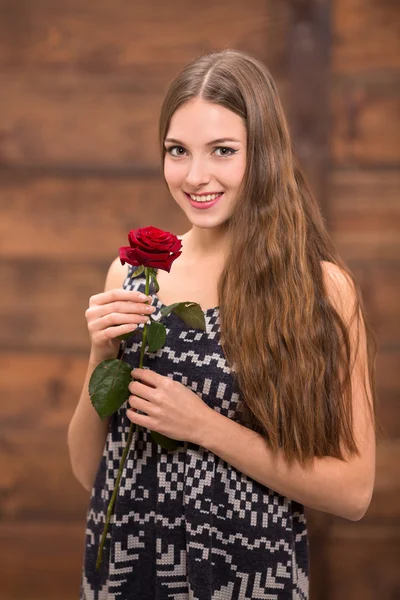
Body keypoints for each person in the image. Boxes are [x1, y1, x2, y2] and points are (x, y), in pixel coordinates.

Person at [68, 49, 378, 600]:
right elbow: (89, 468)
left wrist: (205, 426)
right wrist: (100, 357)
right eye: (177, 151)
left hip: (249, 582)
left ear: (265, 154)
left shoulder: (322, 290)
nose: (195, 176)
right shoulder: (134, 273)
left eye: (223, 151)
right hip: (124, 574)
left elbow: (353, 491)